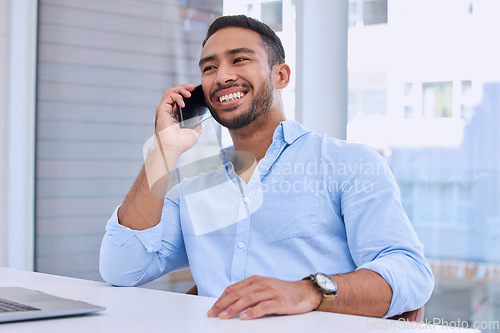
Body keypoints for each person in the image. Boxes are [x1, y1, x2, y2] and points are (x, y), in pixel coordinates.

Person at [99, 14, 434, 320]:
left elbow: (410, 272)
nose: (223, 76)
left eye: (240, 60)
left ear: (281, 75)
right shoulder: (196, 184)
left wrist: (308, 290)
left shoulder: (349, 163)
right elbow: (121, 268)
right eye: (209, 68)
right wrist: (164, 151)